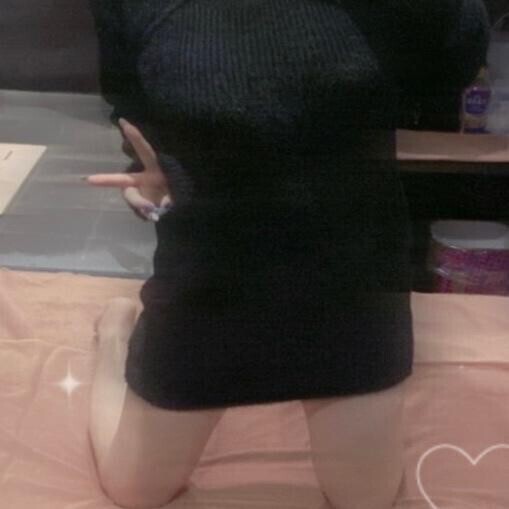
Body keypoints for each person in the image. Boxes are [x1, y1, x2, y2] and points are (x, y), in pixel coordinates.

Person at [86, 1, 490, 508]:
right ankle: (115, 336)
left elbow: (453, 61)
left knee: (366, 501)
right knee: (133, 491)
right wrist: (148, 175)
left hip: (353, 283)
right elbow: (129, 101)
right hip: (209, 281)